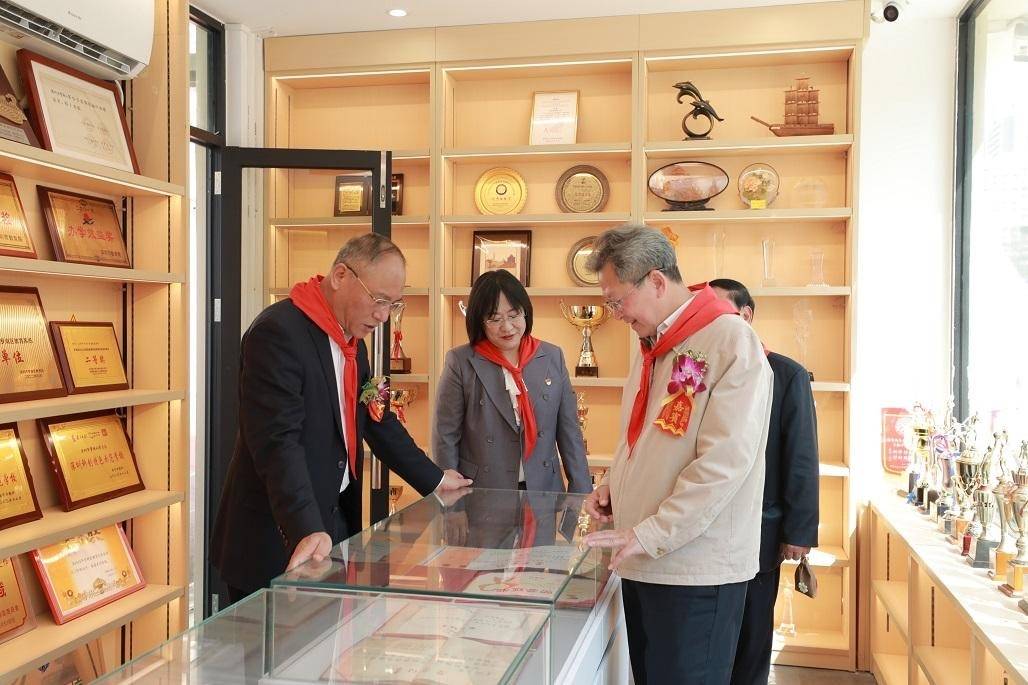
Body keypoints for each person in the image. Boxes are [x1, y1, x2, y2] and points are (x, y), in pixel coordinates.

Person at [211, 234, 471, 602]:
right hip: (279, 534)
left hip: (333, 524)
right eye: (378, 300)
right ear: (340, 276)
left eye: (393, 304)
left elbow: (377, 419)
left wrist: (434, 479)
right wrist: (305, 528)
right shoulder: (278, 333)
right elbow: (277, 443)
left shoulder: (352, 342)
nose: (383, 316)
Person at [581, 225, 772, 685]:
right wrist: (614, 486)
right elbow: (642, 441)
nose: (615, 314)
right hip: (644, 557)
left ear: (656, 281)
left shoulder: (729, 340)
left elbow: (723, 464)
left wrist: (652, 532)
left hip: (695, 573)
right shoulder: (653, 345)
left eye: (617, 301)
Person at [709, 278, 820, 685]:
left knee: (753, 639)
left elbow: (802, 458)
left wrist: (799, 531)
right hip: (707, 533)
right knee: (714, 641)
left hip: (760, 533)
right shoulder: (698, 370)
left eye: (721, 313)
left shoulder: (787, 374)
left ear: (746, 315)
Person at [433, 269, 591, 494]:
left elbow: (570, 433)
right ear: (479, 321)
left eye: (514, 315)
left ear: (526, 312)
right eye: (494, 318)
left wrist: (582, 495)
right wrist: (449, 498)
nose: (507, 327)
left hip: (544, 490)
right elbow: (445, 434)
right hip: (481, 492)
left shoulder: (552, 356)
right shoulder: (460, 361)